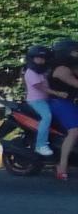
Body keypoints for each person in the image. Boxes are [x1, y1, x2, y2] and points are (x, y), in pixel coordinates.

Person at [47, 39, 78, 182]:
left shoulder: (69, 66)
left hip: (67, 102)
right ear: (66, 52)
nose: (76, 53)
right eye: (74, 51)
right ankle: (62, 166)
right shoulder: (61, 69)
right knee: (74, 130)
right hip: (59, 102)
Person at [23, 45, 55, 158]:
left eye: (43, 58)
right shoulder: (31, 72)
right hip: (36, 101)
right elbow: (43, 88)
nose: (42, 60)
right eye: (39, 58)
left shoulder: (41, 72)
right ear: (32, 59)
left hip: (46, 99)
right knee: (47, 116)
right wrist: (58, 93)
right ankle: (40, 145)